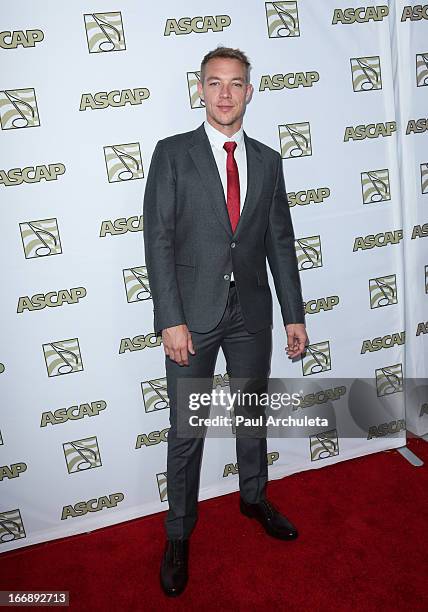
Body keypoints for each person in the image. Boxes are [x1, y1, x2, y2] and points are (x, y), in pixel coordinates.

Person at [143, 46, 308, 597]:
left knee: (251, 412)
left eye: (235, 84)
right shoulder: (172, 154)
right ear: (199, 89)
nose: (225, 94)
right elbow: (159, 240)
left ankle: (254, 496)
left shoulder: (267, 160)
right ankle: (179, 532)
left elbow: (279, 244)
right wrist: (170, 318)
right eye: (214, 83)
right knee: (187, 430)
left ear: (250, 92)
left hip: (251, 314)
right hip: (192, 316)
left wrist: (293, 316)